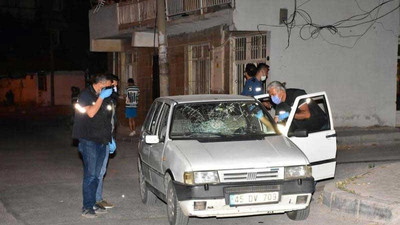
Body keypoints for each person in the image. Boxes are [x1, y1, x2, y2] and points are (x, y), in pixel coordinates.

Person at [72, 74, 115, 218]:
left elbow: (106, 118)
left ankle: (94, 202)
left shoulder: (104, 96)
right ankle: (87, 207)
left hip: (102, 140)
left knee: (97, 175)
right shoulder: (85, 95)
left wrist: (110, 138)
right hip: (88, 140)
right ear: (101, 84)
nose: (111, 88)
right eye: (109, 85)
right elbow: (91, 113)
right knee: (90, 175)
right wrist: (101, 98)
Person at [95, 74, 119, 210]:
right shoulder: (98, 99)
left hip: (106, 137)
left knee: (101, 171)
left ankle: (97, 198)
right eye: (112, 85)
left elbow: (111, 120)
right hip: (98, 139)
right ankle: (95, 200)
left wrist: (111, 137)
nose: (114, 88)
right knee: (97, 171)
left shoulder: (109, 99)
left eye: (115, 85)